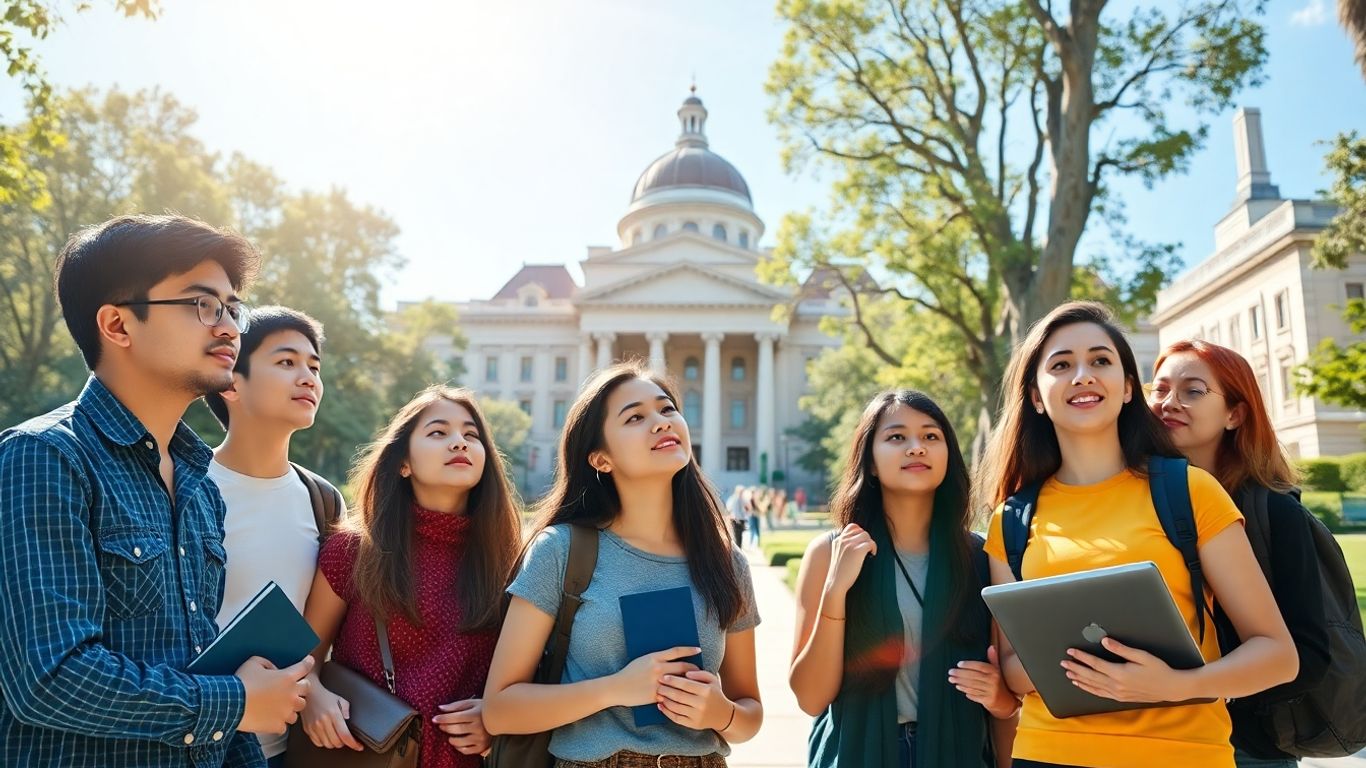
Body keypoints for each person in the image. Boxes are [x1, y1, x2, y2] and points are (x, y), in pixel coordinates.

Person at [0, 214, 312, 767]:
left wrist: (237, 707)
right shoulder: (44, 457)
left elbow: (205, 666)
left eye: (231, 308)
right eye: (202, 304)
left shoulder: (200, 485)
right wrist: (236, 702)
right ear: (118, 324)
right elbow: (49, 677)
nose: (228, 328)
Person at [976, 301, 1299, 768]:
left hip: (1184, 756)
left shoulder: (1189, 491)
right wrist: (1074, 657)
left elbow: (1277, 655)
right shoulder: (1011, 519)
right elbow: (1011, 669)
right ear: (1036, 397)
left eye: (1100, 361)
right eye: (1061, 365)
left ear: (1128, 387)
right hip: (1048, 755)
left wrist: (1177, 685)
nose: (1083, 375)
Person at [483, 362, 763, 767]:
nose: (661, 422)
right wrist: (615, 689)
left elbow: (750, 711)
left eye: (667, 409)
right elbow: (499, 709)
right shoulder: (560, 550)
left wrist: (721, 714)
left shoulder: (726, 562)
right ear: (601, 459)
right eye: (635, 417)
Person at [791, 390, 1017, 768]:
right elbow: (810, 699)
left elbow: (1007, 699)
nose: (916, 447)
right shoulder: (830, 553)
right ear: (870, 461)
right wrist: (836, 591)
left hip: (957, 752)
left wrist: (1000, 698)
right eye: (896, 437)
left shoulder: (981, 558)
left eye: (930, 436)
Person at [299, 386, 521, 768]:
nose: (459, 442)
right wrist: (313, 698)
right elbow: (304, 660)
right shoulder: (354, 551)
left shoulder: (511, 561)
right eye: (439, 432)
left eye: (471, 435)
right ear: (403, 462)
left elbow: (526, 682)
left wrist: (496, 720)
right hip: (366, 757)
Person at [1148, 340, 1331, 768]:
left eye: (1193, 391)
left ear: (1234, 414)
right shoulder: (1134, 500)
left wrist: (1203, 685)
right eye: (1160, 389)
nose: (1169, 403)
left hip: (1245, 748)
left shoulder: (1274, 512)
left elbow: (1309, 655)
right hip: (1150, 737)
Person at [200, 305, 339, 766]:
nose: (308, 378)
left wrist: (314, 684)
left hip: (280, 750)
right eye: (286, 362)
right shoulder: (182, 486)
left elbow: (319, 632)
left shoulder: (323, 500)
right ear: (231, 383)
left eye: (314, 367)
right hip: (192, 743)